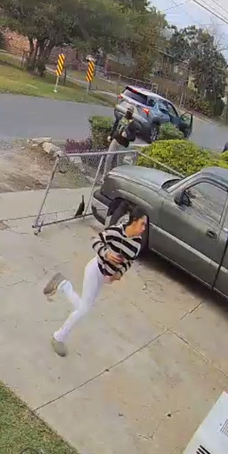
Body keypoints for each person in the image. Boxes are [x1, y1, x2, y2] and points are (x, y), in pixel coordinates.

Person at [42, 210, 148, 356]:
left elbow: (130, 261)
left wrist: (119, 273)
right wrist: (107, 253)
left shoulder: (137, 243)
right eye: (142, 224)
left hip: (105, 277)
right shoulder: (116, 232)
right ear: (134, 221)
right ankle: (58, 337)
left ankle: (63, 285)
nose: (143, 229)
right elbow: (95, 240)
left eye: (145, 226)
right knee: (84, 309)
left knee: (84, 307)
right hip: (94, 270)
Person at [100, 107, 141, 180]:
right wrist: (110, 135)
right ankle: (105, 175)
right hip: (116, 140)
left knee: (119, 163)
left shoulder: (132, 124)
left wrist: (127, 135)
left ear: (132, 113)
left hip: (123, 145)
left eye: (130, 111)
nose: (128, 112)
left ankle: (117, 177)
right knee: (109, 157)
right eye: (127, 110)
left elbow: (133, 137)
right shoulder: (121, 118)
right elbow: (115, 126)